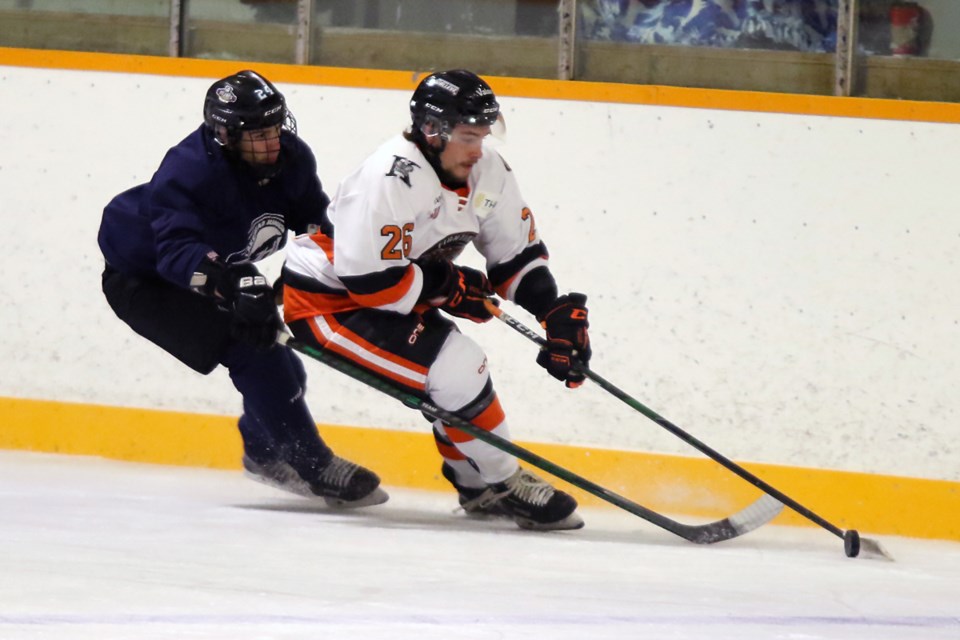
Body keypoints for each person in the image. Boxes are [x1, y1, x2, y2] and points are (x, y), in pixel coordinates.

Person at [281, 69, 592, 531]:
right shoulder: (391, 175)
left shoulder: (488, 172)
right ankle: (504, 483)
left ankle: (475, 484)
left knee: (457, 377)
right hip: (330, 302)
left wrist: (552, 311)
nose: (478, 148)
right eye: (468, 136)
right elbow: (372, 283)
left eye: (484, 135)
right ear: (432, 130)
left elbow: (515, 256)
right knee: (458, 369)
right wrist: (448, 286)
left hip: (396, 293)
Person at [97, 70, 386, 508]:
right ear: (225, 136)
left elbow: (316, 227)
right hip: (146, 281)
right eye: (257, 134)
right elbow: (176, 254)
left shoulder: (291, 159)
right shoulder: (190, 170)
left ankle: (264, 450)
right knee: (254, 352)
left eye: (275, 128)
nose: (272, 142)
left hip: (217, 267)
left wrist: (307, 277)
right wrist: (238, 287)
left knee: (284, 362)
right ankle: (313, 464)